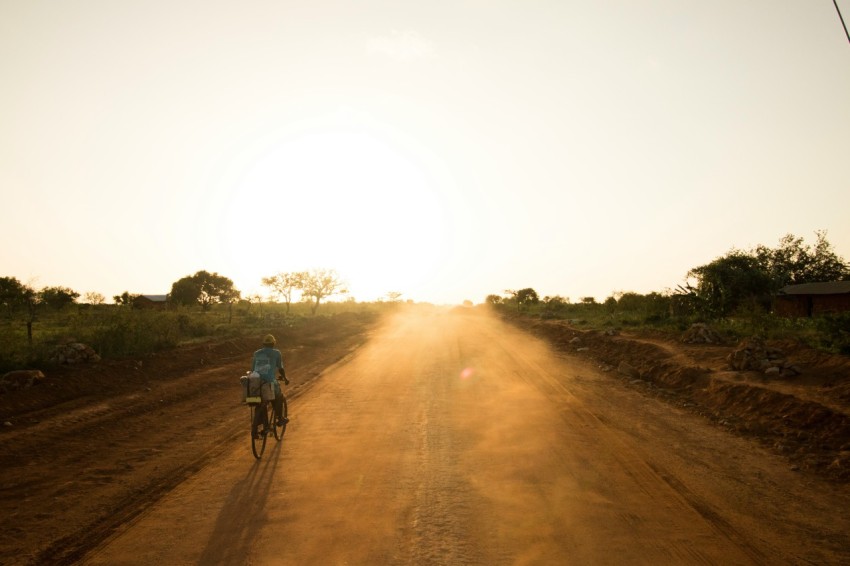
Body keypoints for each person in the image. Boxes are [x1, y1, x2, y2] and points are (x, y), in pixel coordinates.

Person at [251, 333, 289, 438]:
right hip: (269, 382)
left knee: (260, 402)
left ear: (263, 344)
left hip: (255, 382)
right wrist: (285, 378)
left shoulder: (256, 353)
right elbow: (280, 368)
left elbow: (253, 369)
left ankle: (261, 426)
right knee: (278, 396)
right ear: (273, 344)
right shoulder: (276, 353)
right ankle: (280, 418)